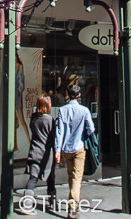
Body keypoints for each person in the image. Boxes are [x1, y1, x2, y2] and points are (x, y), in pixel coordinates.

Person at [54, 85, 95, 219]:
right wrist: (84, 134)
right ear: (79, 95)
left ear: (68, 94)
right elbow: (91, 128)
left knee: (71, 175)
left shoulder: (62, 110)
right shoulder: (84, 110)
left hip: (66, 148)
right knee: (77, 177)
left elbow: (59, 131)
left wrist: (57, 149)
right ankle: (72, 207)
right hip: (79, 146)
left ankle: (75, 202)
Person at [17, 94, 56, 215]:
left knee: (33, 178)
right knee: (50, 178)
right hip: (46, 153)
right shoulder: (50, 120)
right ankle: (52, 201)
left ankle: (27, 204)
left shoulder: (33, 118)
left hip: (35, 151)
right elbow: (53, 137)